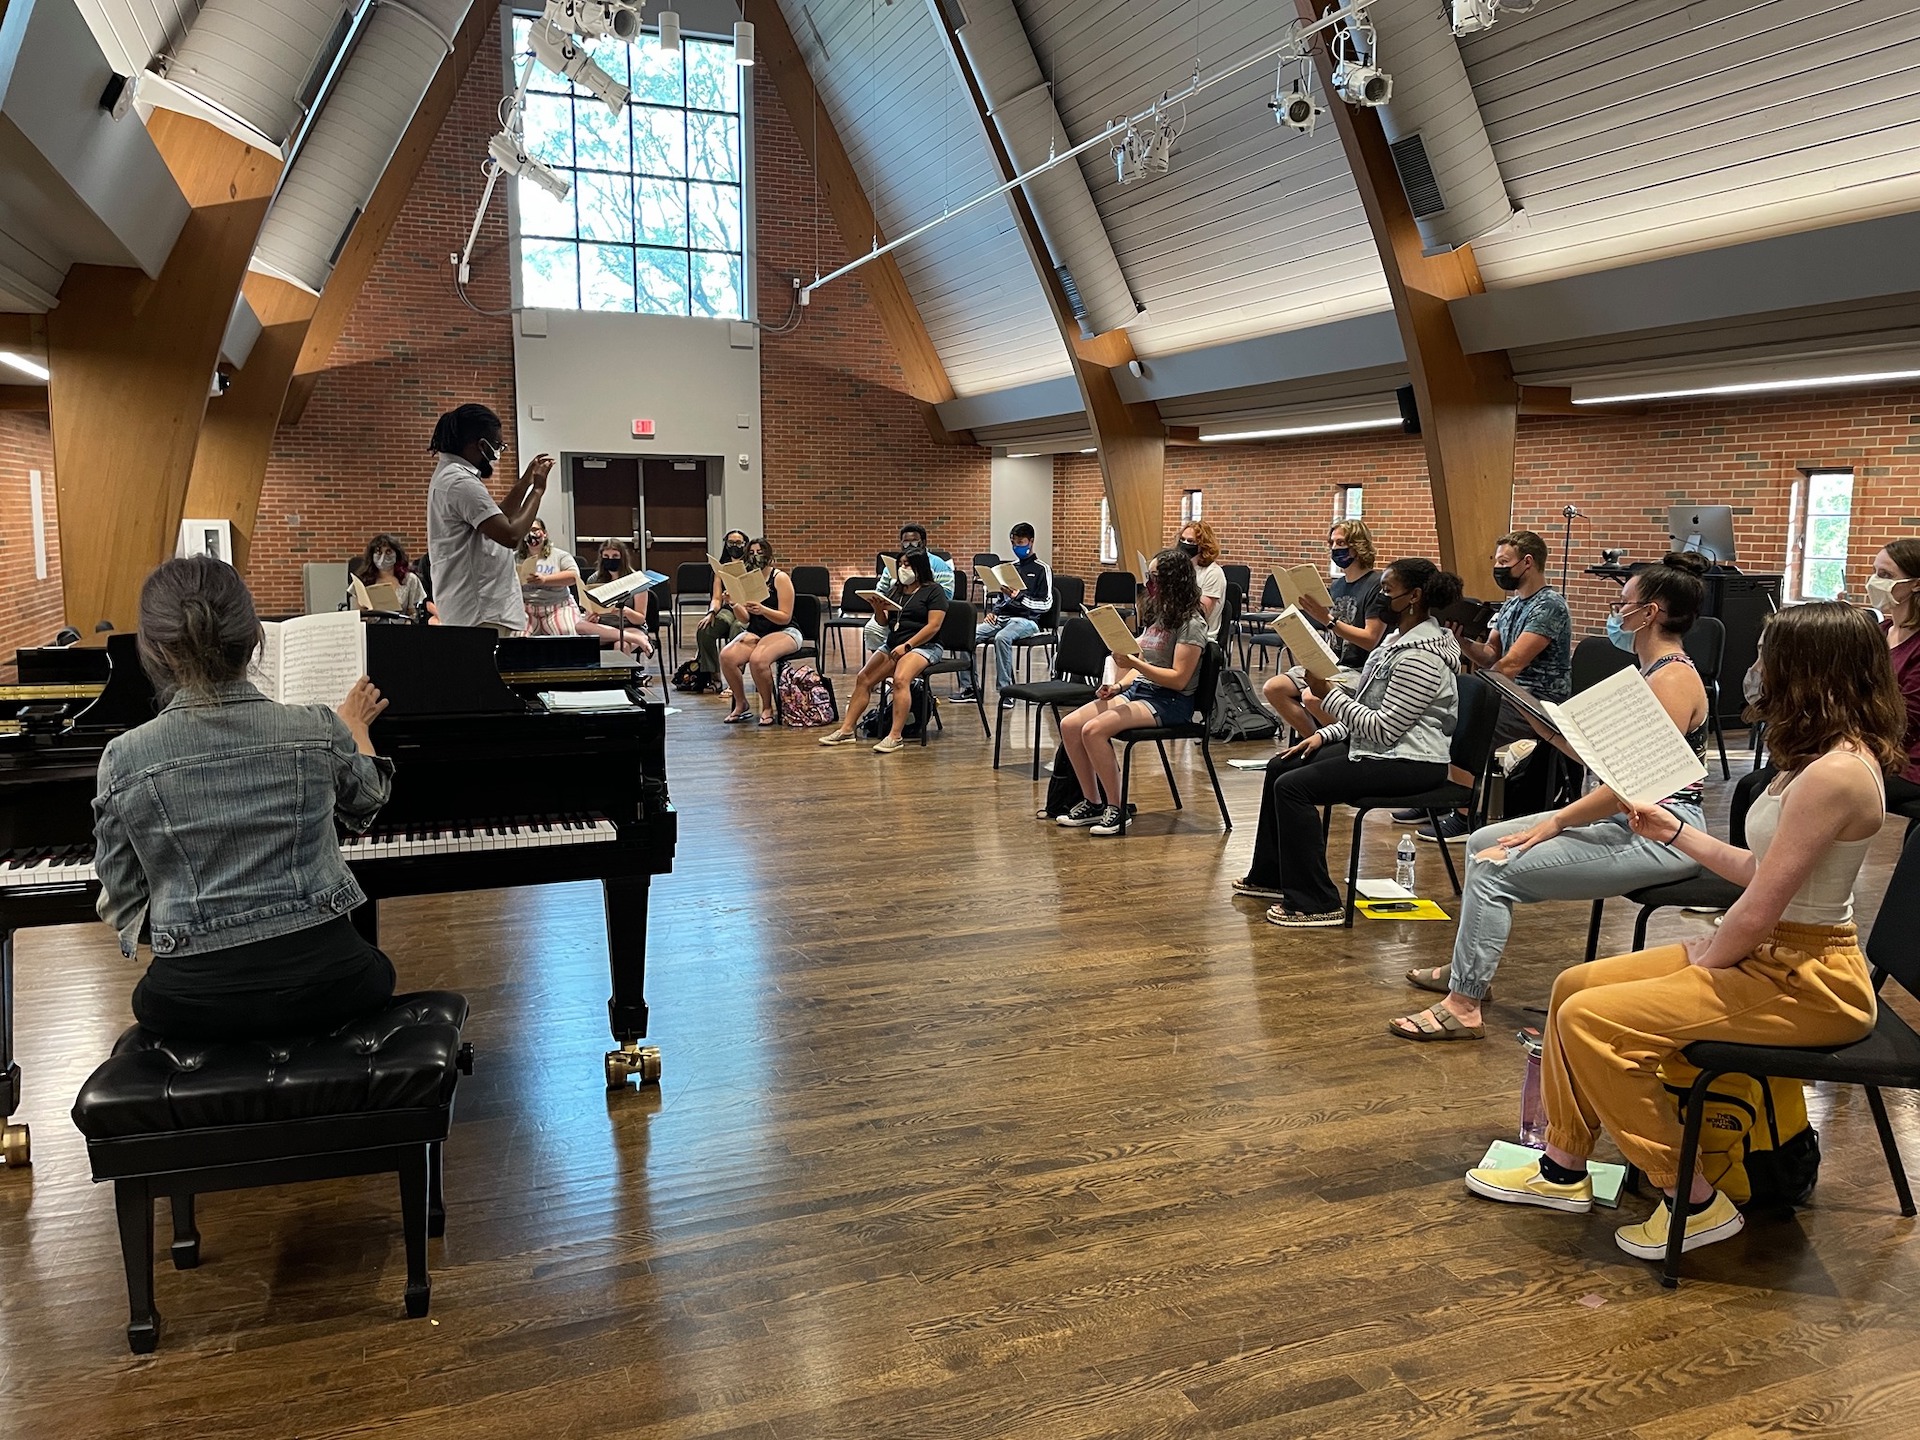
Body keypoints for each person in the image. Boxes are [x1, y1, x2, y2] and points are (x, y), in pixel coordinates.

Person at [1465, 601, 1905, 1263]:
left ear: (1810, 671)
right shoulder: (1818, 760)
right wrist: (1676, 831)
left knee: (1595, 1022)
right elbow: (1762, 869)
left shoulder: (1838, 773)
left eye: (1770, 657)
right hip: (1773, 952)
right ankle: (1562, 1168)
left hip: (1807, 980)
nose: (1757, 671)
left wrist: (1707, 960)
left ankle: (1693, 1200)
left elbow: (1761, 906)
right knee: (1572, 987)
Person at [1389, 553, 1714, 1041]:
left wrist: (1556, 822)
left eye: (1623, 602)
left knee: (1496, 869)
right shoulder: (1652, 672)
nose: (1615, 610)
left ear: (1650, 613)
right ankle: (1467, 969)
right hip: (1633, 819)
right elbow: (1611, 766)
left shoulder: (1671, 678)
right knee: (1481, 844)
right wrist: (1554, 731)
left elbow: (1633, 786)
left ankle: (1464, 1003)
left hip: (1664, 832)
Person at [91, 557, 398, 1041]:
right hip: (333, 982)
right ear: (255, 637)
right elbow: (368, 799)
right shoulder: (315, 727)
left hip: (189, 1000)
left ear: (155, 651)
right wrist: (356, 728)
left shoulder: (123, 758)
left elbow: (124, 898)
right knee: (375, 968)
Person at [1234, 559, 1463, 926]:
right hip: (1386, 750)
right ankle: (1271, 876)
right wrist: (1323, 734)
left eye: (1388, 591)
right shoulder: (1396, 640)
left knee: (1293, 788)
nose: (1381, 597)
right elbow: (1372, 712)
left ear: (1414, 598)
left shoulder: (1422, 657)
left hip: (1412, 763)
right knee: (1283, 765)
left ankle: (1316, 902)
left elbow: (1385, 729)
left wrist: (1327, 697)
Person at [1420, 529, 1572, 840]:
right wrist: (1460, 638)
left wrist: (1473, 695)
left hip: (1538, 701)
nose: (1499, 568)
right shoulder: (1512, 605)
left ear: (1527, 562)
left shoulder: (1550, 605)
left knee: (1462, 721)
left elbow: (1512, 665)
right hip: (1509, 692)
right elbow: (1490, 655)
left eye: (1504, 561)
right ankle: (1433, 798)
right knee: (1435, 712)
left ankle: (1464, 814)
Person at [1053, 548, 1208, 837]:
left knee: (1094, 730)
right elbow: (1144, 664)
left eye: (1155, 577)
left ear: (1173, 580)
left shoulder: (1191, 623)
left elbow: (1177, 679)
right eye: (1149, 576)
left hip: (1169, 701)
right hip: (1142, 691)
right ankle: (1093, 801)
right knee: (1070, 725)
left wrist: (1134, 661)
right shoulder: (1159, 613)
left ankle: (1117, 806)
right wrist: (1118, 685)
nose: (1149, 583)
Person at [425, 404, 553, 633]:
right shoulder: (460, 483)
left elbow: (499, 518)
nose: (498, 453)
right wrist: (538, 491)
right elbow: (511, 535)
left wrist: (525, 483)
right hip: (481, 611)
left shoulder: (451, 475)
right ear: (481, 445)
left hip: (476, 609)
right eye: (498, 445)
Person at [1262, 518, 1390, 739]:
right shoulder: (1338, 585)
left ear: (1358, 545)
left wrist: (1328, 620)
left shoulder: (1376, 585)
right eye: (1331, 543)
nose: (1334, 548)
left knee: (1313, 697)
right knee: (1274, 688)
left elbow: (1371, 639)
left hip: (1362, 669)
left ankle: (1346, 745)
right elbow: (1331, 630)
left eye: (1340, 543)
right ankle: (1314, 743)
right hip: (1334, 664)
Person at [819, 550, 949, 754]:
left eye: (907, 564)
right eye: (901, 564)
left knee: (900, 679)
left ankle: (895, 736)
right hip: (894, 644)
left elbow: (933, 626)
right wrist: (878, 608)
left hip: (924, 646)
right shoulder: (896, 590)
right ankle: (846, 730)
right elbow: (883, 622)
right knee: (864, 678)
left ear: (920, 567)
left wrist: (908, 646)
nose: (902, 569)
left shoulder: (934, 591)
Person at [717, 539, 801, 726]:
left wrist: (763, 610)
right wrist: (733, 603)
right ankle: (741, 703)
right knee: (727, 656)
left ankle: (767, 707)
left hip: (785, 630)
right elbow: (745, 619)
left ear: (769, 555)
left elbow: (785, 617)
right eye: (752, 553)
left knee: (758, 660)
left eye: (760, 552)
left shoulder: (780, 578)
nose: (756, 556)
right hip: (757, 631)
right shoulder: (748, 580)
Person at [972, 522, 1052, 704]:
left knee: (1002, 638)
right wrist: (994, 611)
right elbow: (1002, 599)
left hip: (1027, 621)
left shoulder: (1042, 569)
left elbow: (1046, 604)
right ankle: (970, 688)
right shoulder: (1010, 568)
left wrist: (1020, 597)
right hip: (1002, 618)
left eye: (1021, 542)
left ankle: (1006, 691)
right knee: (967, 635)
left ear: (1031, 542)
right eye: (1014, 543)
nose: (1017, 547)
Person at [1868, 538, 1920, 815]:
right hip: (1871, 747)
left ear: (1916, 584)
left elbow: (1907, 719)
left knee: (1811, 789)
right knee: (1756, 785)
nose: (1875, 581)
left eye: (1886, 575)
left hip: (1908, 763)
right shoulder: (1880, 631)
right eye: (1875, 572)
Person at [863, 523, 955, 655]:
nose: (910, 545)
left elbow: (946, 595)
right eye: (906, 542)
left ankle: (909, 662)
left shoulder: (939, 565)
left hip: (922, 613)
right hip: (894, 613)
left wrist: (921, 586)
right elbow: (881, 591)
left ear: (923, 542)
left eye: (914, 541)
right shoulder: (893, 565)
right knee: (872, 629)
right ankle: (886, 661)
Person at [578, 541, 656, 657]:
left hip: (631, 626)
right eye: (606, 557)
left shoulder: (637, 580)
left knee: (621, 644)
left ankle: (623, 675)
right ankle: (637, 639)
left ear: (622, 557)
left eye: (615, 556)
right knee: (579, 626)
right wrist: (591, 618)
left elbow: (640, 619)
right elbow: (589, 609)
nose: (610, 559)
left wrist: (624, 611)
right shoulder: (593, 579)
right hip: (603, 627)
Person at [694, 530, 753, 681]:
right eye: (731, 543)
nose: (735, 546)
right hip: (728, 609)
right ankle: (713, 676)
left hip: (748, 610)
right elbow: (716, 598)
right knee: (705, 629)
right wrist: (711, 612)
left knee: (738, 628)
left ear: (745, 545)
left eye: (739, 543)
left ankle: (735, 678)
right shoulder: (720, 569)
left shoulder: (753, 568)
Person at [516, 519, 583, 638]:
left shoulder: (560, 556)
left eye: (535, 530)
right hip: (526, 609)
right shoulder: (514, 558)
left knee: (567, 635)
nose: (531, 534)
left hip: (557, 606)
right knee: (517, 639)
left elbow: (573, 576)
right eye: (527, 531)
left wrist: (545, 580)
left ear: (545, 534)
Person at [352, 533, 427, 617]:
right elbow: (358, 613)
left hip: (400, 627)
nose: (383, 557)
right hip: (371, 627)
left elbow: (413, 614)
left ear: (397, 554)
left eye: (388, 552)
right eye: (379, 552)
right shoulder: (362, 579)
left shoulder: (410, 579)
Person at [1179, 520, 1229, 642]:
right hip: (1178, 631)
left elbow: (1201, 612)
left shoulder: (1213, 573)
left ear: (1203, 545)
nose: (1185, 544)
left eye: (1190, 541)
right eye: (1182, 539)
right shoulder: (1180, 568)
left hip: (1200, 637)